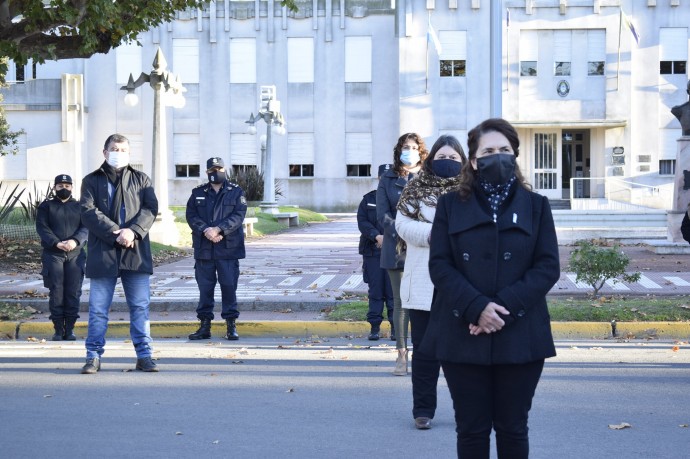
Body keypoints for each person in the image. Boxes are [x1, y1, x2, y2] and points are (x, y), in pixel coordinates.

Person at [425, 118, 560, 458]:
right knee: (471, 430)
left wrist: (500, 310)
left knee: (513, 429)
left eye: (504, 150)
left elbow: (547, 267)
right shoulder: (450, 205)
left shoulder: (537, 206)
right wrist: (476, 308)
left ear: (515, 155)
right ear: (473, 160)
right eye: (488, 151)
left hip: (520, 336)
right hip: (462, 333)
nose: (496, 157)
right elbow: (440, 265)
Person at [395, 135, 465, 430]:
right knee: (425, 351)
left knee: (464, 352)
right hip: (424, 280)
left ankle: (468, 409)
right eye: (442, 157)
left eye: (453, 158)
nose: (447, 162)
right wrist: (433, 234)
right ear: (431, 159)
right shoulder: (415, 189)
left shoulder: (473, 192)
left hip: (463, 284)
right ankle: (423, 410)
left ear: (463, 162)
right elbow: (402, 224)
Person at [80, 133, 159, 374]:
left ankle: (144, 355)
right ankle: (93, 356)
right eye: (115, 149)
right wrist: (117, 232)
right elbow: (87, 211)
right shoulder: (91, 180)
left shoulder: (141, 179)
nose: (119, 153)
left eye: (124, 149)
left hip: (135, 252)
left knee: (140, 307)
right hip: (103, 252)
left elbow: (150, 209)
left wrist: (133, 232)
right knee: (98, 309)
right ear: (105, 152)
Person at [376, 133, 428, 376]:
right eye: (406, 147)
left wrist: (418, 234)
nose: (410, 151)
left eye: (414, 147)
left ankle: (424, 353)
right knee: (400, 302)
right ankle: (401, 354)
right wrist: (403, 231)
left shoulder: (430, 177)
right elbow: (382, 215)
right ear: (399, 150)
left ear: (421, 150)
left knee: (424, 301)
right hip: (396, 246)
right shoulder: (387, 178)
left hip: (424, 246)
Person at [186, 157, 247, 341]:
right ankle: (205, 326)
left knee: (229, 287)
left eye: (219, 168)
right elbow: (191, 215)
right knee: (205, 288)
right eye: (212, 169)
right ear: (207, 172)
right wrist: (206, 230)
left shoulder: (235, 192)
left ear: (225, 169)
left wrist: (219, 229)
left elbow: (239, 215)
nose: (216, 171)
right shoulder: (197, 192)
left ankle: (231, 325)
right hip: (205, 248)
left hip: (228, 248)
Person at [35, 174, 87, 341]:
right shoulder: (46, 206)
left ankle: (70, 330)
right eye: (60, 186)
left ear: (72, 187)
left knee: (73, 292)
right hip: (53, 254)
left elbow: (85, 227)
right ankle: (58, 330)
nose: (64, 189)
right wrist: (56, 243)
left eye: (67, 185)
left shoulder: (80, 206)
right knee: (56, 291)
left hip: (75, 254)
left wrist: (74, 241)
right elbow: (42, 228)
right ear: (54, 187)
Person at [357, 164, 394, 341]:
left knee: (394, 292)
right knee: (376, 291)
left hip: (395, 251)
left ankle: (396, 328)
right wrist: (376, 236)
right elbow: (362, 221)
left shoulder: (401, 198)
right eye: (383, 177)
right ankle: (375, 328)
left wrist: (389, 237)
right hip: (373, 252)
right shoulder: (368, 199)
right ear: (379, 178)